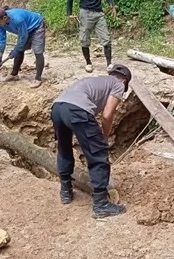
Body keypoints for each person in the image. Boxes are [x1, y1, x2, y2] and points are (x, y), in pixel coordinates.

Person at [50, 64, 131, 218]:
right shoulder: (118, 85)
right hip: (78, 110)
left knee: (64, 147)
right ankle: (101, 204)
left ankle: (66, 191)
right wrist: (104, 137)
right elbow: (107, 115)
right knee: (98, 154)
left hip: (57, 108)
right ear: (125, 81)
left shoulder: (95, 80)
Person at [67, 0, 117, 73]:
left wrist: (112, 4)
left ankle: (109, 63)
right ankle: (88, 63)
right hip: (85, 13)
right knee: (84, 39)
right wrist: (69, 14)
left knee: (106, 38)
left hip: (99, 13)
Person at [0, 7, 47, 88]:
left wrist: (16, 49)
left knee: (38, 52)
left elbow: (23, 36)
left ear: (4, 18)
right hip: (25, 29)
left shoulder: (18, 20)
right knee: (20, 49)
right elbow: (1, 40)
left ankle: (38, 78)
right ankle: (14, 74)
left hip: (36, 26)